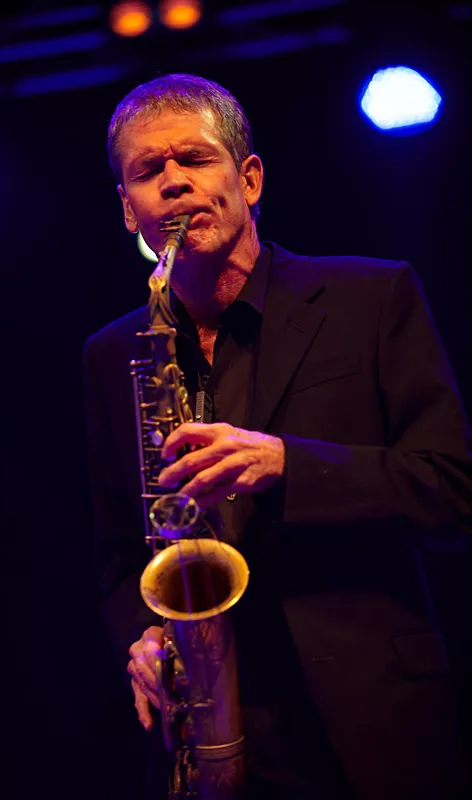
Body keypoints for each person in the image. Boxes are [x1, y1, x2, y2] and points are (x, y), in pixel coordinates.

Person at [83, 73, 472, 799]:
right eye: (147, 170)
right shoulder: (113, 354)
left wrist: (287, 463)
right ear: (128, 208)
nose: (173, 182)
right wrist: (142, 634)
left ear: (249, 178)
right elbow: (117, 558)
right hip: (208, 728)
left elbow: (453, 489)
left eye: (195, 159)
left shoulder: (371, 297)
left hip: (370, 723)